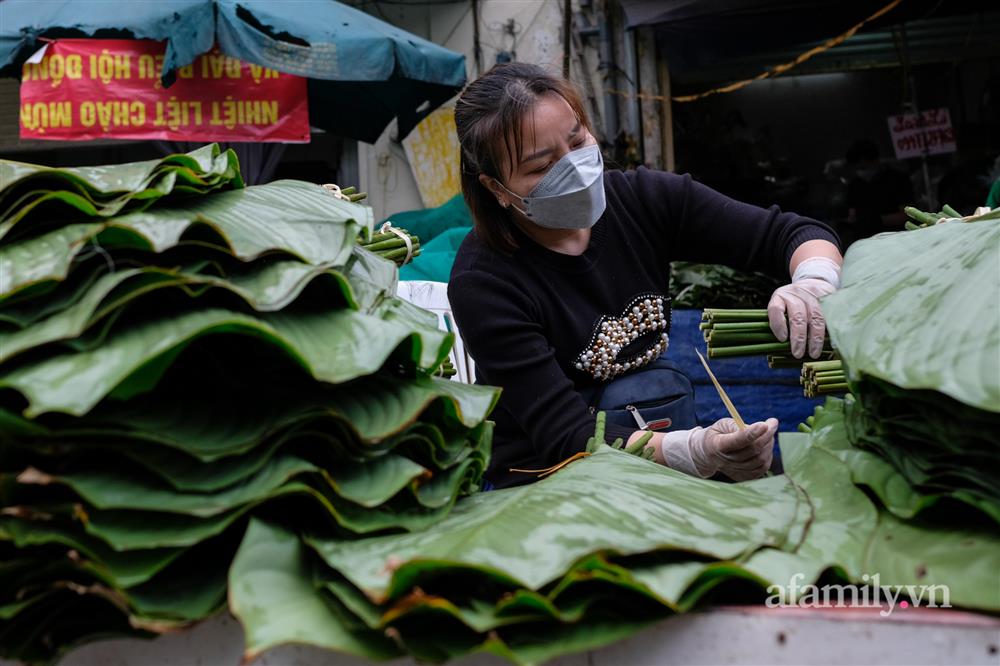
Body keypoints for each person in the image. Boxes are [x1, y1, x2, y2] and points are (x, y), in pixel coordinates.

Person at [448, 63, 842, 489]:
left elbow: (793, 233)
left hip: (660, 429)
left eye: (578, 141)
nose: (575, 168)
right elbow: (566, 437)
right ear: (495, 189)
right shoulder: (483, 282)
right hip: (552, 482)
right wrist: (691, 451)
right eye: (542, 167)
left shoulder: (644, 200)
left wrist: (813, 281)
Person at [843, 139, 913, 243]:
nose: (861, 172)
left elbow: (907, 214)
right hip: (864, 241)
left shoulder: (897, 180)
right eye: (857, 168)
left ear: (875, 161)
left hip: (896, 238)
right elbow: (852, 213)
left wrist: (878, 220)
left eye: (863, 167)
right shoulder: (854, 185)